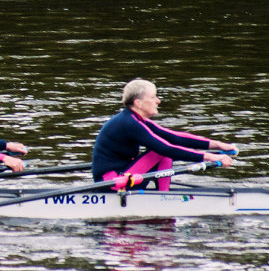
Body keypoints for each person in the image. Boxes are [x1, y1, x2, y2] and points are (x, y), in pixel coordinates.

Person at [92, 79, 236, 191]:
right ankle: (164, 198)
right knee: (162, 152)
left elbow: (175, 137)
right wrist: (213, 156)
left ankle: (164, 196)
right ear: (138, 103)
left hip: (124, 174)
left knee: (164, 151)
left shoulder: (136, 120)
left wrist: (218, 145)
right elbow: (166, 148)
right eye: (153, 97)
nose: (158, 101)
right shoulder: (129, 123)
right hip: (112, 182)